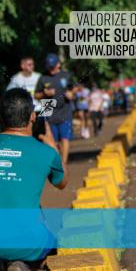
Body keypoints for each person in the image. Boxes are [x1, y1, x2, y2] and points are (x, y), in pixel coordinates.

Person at [0, 88, 67, 270]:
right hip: (26, 244)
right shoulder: (45, 153)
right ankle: (25, 265)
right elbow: (62, 183)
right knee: (51, 243)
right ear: (32, 117)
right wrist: (53, 147)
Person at [34, 54, 75, 165]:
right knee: (52, 141)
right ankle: (57, 159)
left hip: (64, 110)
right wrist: (43, 93)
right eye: (49, 67)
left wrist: (71, 94)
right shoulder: (43, 78)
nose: (51, 69)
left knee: (65, 138)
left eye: (53, 66)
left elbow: (74, 90)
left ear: (58, 64)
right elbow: (36, 95)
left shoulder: (66, 76)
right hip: (48, 108)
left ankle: (63, 163)